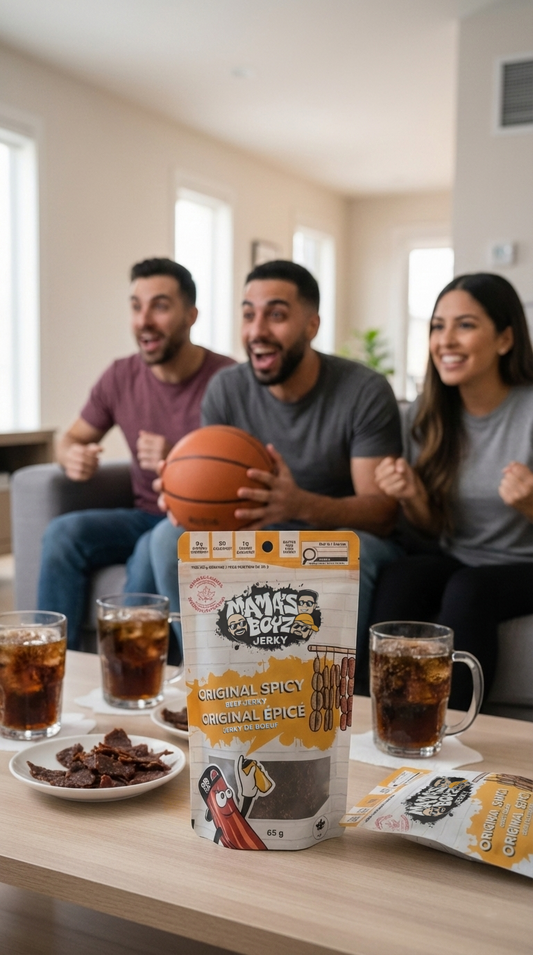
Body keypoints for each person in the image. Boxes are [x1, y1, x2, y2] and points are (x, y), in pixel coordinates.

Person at [146, 259, 403, 677]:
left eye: (277, 315)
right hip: (257, 531)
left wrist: (298, 504)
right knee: (166, 539)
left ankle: (328, 695)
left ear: (312, 325)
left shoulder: (363, 390)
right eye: (249, 314)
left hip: (335, 533)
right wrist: (183, 497)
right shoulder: (227, 388)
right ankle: (205, 680)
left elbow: (383, 513)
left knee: (352, 550)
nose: (257, 330)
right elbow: (210, 488)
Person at [37, 257, 235, 655]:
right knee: (62, 534)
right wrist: (72, 455)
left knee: (151, 548)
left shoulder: (228, 380)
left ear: (190, 316)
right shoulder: (120, 376)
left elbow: (245, 477)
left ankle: (135, 673)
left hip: (200, 523)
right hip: (144, 514)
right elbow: (71, 438)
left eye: (160, 306)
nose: (144, 320)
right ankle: (51, 664)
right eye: (135, 306)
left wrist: (179, 463)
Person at [371, 273, 533, 709]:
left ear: (505, 339)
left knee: (469, 588)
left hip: (523, 564)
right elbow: (431, 531)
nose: (446, 340)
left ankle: (457, 724)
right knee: (402, 576)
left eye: (465, 325)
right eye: (437, 326)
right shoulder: (424, 418)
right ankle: (378, 717)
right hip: (459, 556)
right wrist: (413, 497)